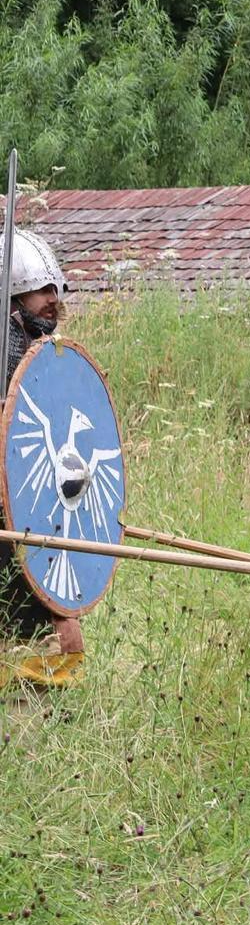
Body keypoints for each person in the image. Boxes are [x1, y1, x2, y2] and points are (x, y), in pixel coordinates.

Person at [0, 229, 86, 692]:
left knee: (58, 638)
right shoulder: (5, 353)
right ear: (12, 297)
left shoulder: (44, 356)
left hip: (43, 515)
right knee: (22, 633)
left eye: (56, 288)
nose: (54, 299)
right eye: (40, 289)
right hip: (10, 522)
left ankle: (47, 710)